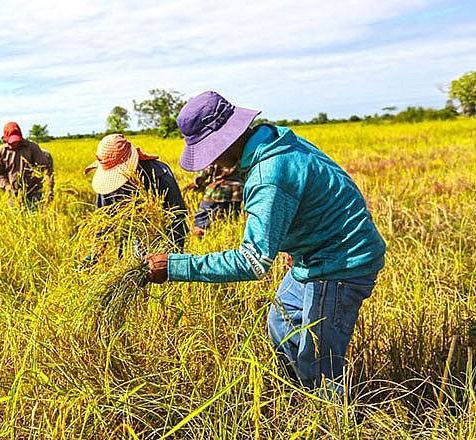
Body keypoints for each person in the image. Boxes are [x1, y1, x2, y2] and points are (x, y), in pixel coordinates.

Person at [145, 91, 386, 395]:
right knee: (282, 325)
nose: (213, 160)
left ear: (226, 140)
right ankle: (303, 392)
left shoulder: (268, 173)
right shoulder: (273, 138)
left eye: (211, 150)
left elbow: (252, 261)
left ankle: (332, 417)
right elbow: (318, 191)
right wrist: (293, 243)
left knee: (320, 360)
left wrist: (174, 266)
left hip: (339, 263)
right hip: (312, 254)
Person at [84, 133, 188, 261]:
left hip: (162, 238)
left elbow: (177, 215)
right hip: (130, 242)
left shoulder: (159, 174)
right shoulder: (108, 185)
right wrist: (95, 253)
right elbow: (103, 221)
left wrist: (173, 258)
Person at [0, 122, 51, 208]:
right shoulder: (1, 152)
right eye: (11, 142)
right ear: (5, 139)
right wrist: (6, 186)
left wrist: (49, 187)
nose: (15, 144)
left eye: (16, 141)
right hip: (13, 194)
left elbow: (44, 167)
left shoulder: (31, 147)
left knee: (35, 216)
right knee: (16, 218)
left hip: (34, 192)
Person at [188, 163, 245, 238]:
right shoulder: (241, 151)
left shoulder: (215, 152)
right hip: (237, 193)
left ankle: (198, 243)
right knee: (231, 222)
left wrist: (197, 181)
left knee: (201, 221)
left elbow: (206, 170)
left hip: (218, 191)